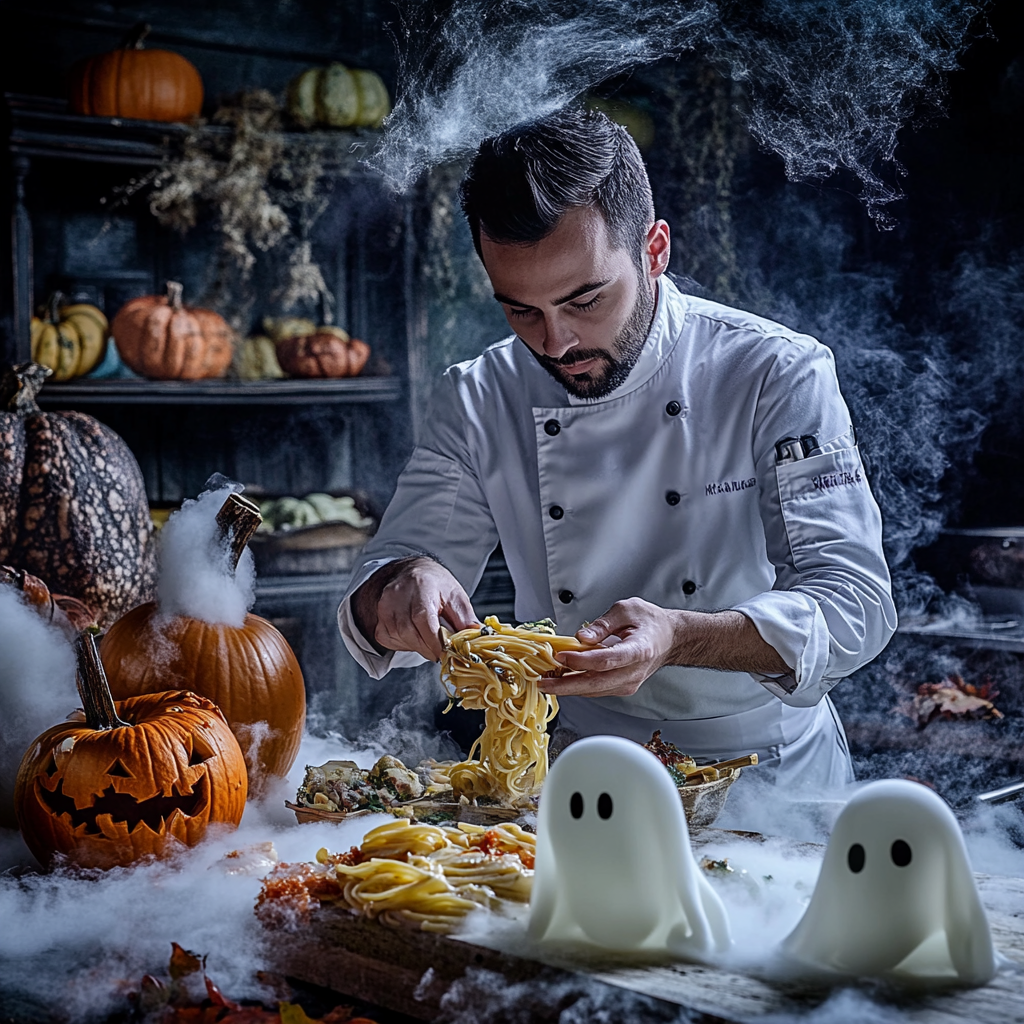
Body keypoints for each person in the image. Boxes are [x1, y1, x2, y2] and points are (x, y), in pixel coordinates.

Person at [338, 105, 896, 786]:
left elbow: (854, 603)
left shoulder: (775, 372)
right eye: (520, 309)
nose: (555, 342)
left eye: (585, 299)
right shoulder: (479, 395)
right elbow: (379, 593)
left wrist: (679, 636)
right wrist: (405, 586)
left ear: (655, 251)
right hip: (582, 774)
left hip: (769, 777)